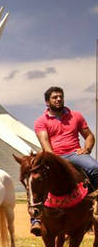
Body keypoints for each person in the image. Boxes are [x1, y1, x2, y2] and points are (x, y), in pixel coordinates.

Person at [32, 86, 97, 235]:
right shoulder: (41, 121)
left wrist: (86, 149)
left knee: (95, 168)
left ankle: (92, 203)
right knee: (33, 176)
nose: (59, 99)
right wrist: (55, 160)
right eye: (54, 97)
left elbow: (89, 136)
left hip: (75, 153)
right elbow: (45, 144)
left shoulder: (76, 116)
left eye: (60, 96)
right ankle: (35, 218)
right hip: (55, 156)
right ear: (47, 102)